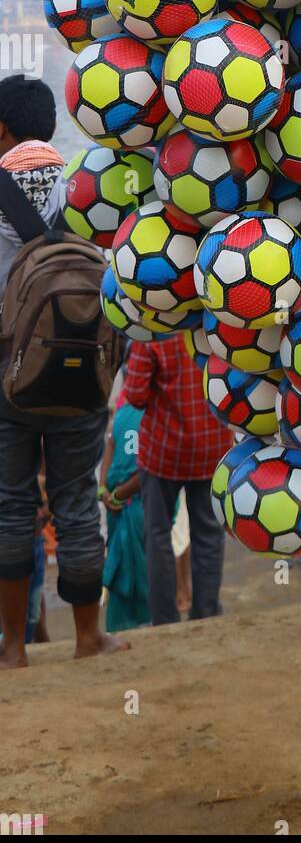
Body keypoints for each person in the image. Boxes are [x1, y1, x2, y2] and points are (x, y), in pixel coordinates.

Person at [0, 76, 128, 670]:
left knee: (9, 505)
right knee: (77, 501)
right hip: (84, 372)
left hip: (7, 376)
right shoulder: (90, 185)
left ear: (1, 129)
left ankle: (14, 648)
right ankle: (87, 640)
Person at [124, 335, 232, 624]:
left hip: (163, 452)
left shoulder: (154, 329)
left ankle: (164, 619)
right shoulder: (216, 325)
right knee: (209, 535)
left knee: (158, 537)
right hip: (213, 446)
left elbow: (134, 394)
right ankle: (206, 614)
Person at [99, 377, 149, 632]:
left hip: (139, 506)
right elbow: (110, 441)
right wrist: (103, 489)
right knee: (120, 566)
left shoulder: (153, 411)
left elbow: (148, 468)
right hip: (116, 507)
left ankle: (145, 622)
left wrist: (116, 493)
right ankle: (121, 627)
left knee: (143, 567)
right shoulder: (124, 405)